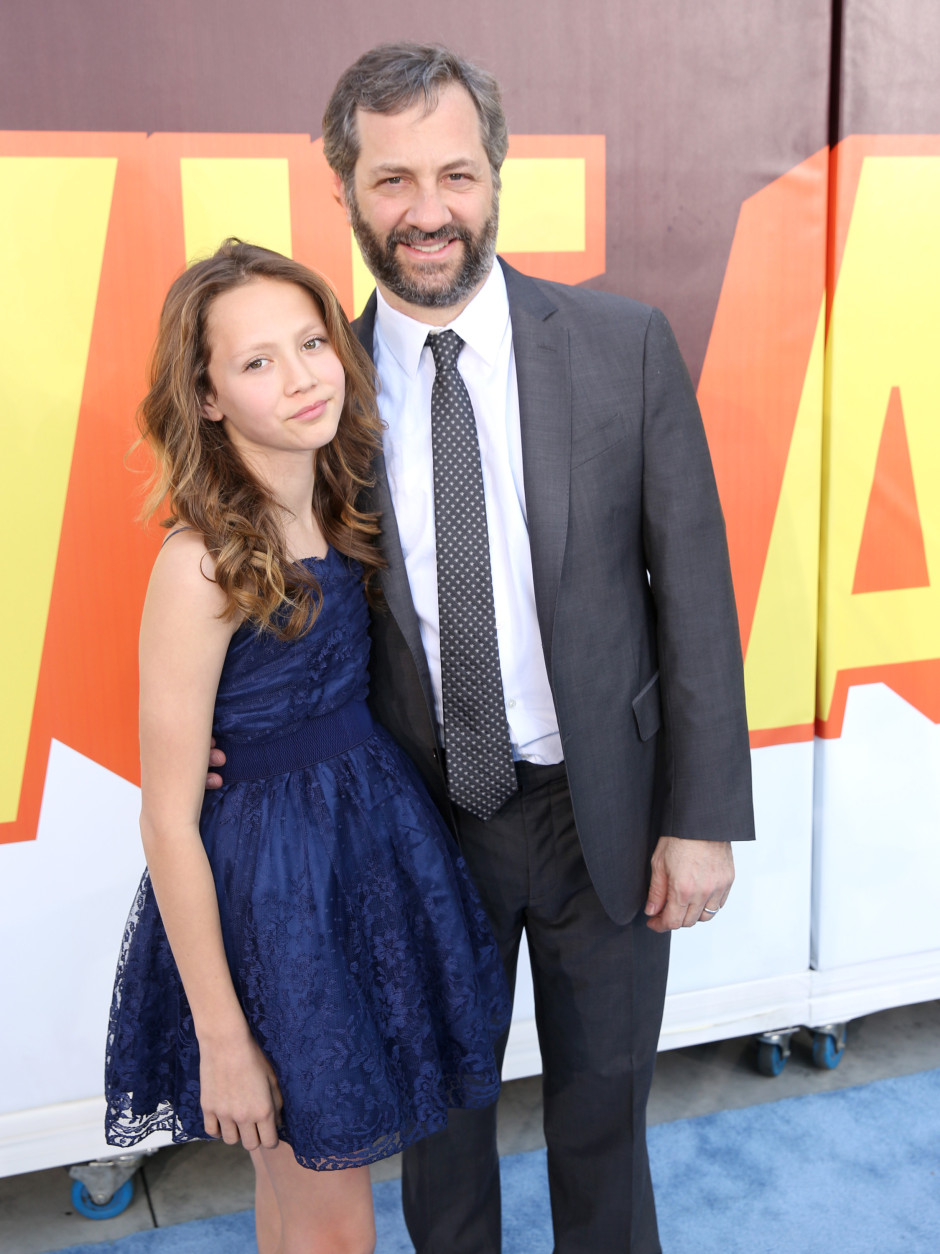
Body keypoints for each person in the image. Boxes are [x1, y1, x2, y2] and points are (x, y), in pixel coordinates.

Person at [318, 42, 757, 1254]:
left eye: (453, 174)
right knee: (442, 1135)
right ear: (345, 190)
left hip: (600, 811)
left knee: (604, 1121)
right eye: (392, 179)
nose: (427, 211)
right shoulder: (320, 389)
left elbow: (696, 591)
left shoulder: (623, 345)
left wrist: (703, 813)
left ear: (496, 173)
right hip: (422, 821)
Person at [104, 239, 510, 1254]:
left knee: (299, 1205)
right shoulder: (199, 563)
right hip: (276, 908)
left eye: (311, 342)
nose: (299, 379)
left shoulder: (341, 505)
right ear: (204, 396)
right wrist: (222, 1035)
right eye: (256, 362)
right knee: (333, 1222)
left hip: (364, 873)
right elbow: (165, 819)